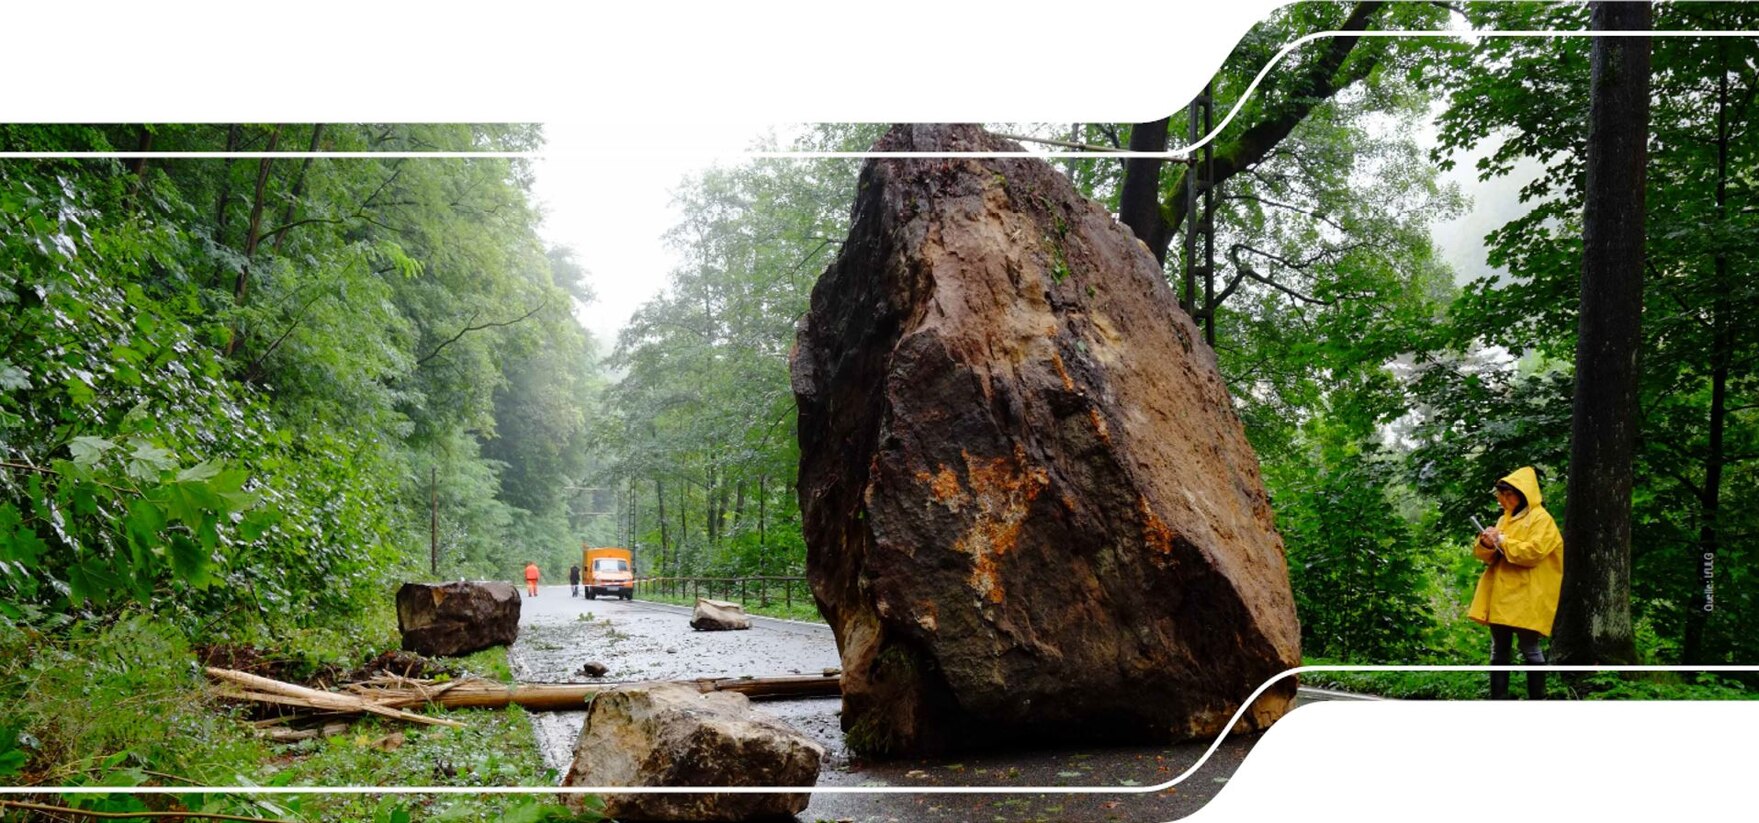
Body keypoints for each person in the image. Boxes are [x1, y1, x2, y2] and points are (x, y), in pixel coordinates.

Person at [1467, 466, 1564, 700]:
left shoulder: (1542, 520)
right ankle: (1498, 700)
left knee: (1530, 648)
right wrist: (1488, 543)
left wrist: (1502, 539)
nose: (1503, 500)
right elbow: (1488, 555)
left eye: (1508, 494)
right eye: (1501, 495)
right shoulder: (1505, 519)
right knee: (1499, 648)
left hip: (1528, 594)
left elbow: (1533, 552)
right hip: (1501, 593)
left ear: (1523, 493)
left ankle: (1537, 700)